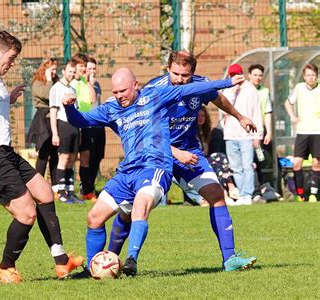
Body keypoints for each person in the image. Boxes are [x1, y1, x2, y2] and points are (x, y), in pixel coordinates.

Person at [64, 67, 244, 278]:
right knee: (94, 217)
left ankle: (131, 259)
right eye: (115, 92)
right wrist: (69, 108)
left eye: (123, 91)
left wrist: (225, 83)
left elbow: (193, 88)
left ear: (135, 86)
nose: (119, 96)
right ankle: (91, 270)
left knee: (140, 206)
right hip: (126, 172)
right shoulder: (111, 108)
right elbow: (80, 121)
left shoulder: (155, 96)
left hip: (154, 167)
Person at [0, 30, 83, 284]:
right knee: (26, 214)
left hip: (5, 152)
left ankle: (61, 261)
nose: (11, 63)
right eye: (10, 58)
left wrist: (6, 100)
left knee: (43, 192)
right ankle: (5, 267)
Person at [107, 51, 257, 273]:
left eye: (185, 75)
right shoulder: (152, 91)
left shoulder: (199, 86)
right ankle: (110, 259)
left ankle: (230, 259)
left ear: (192, 73)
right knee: (130, 211)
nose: (179, 79)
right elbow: (142, 133)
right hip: (156, 155)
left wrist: (240, 116)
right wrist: (175, 152)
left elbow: (218, 98)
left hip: (190, 153)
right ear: (168, 69)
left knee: (216, 194)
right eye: (175, 73)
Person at [222, 64, 264, 205]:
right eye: (232, 75)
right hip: (230, 135)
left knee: (247, 166)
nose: (235, 77)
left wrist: (258, 135)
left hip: (246, 135)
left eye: (237, 74)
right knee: (235, 167)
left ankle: (247, 194)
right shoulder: (227, 90)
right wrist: (233, 92)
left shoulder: (251, 90)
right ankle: (241, 193)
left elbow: (257, 113)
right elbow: (224, 110)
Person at [284, 63, 319, 203]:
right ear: (304, 76)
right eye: (308, 75)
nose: (311, 78)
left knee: (317, 164)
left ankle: (314, 194)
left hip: (318, 131)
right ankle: (301, 194)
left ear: (317, 76)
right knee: (297, 164)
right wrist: (293, 117)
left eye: (313, 75)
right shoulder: (299, 88)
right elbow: (288, 103)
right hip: (303, 132)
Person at [49, 60, 83, 204]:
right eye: (70, 71)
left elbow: (77, 110)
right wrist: (55, 133)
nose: (72, 74)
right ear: (64, 71)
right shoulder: (56, 88)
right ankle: (61, 192)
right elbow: (53, 111)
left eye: (74, 72)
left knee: (72, 159)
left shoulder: (73, 90)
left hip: (74, 126)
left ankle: (70, 192)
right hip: (63, 125)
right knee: (63, 158)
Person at [26, 58, 59, 192]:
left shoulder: (56, 82)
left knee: (55, 154)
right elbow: (49, 95)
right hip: (43, 121)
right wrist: (49, 80)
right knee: (43, 154)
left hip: (55, 120)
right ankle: (38, 186)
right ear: (44, 70)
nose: (54, 72)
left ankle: (56, 187)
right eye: (52, 69)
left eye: (56, 69)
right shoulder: (37, 83)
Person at [69, 53, 98, 201]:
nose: (84, 69)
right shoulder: (73, 84)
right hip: (75, 124)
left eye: (84, 66)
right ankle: (67, 190)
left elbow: (93, 100)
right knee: (71, 157)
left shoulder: (83, 82)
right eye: (81, 66)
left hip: (86, 124)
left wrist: (88, 82)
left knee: (86, 157)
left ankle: (86, 191)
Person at [248, 64, 274, 202]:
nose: (258, 78)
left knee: (262, 161)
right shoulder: (244, 90)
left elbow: (267, 112)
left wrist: (268, 132)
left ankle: (264, 188)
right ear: (249, 75)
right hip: (246, 133)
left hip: (260, 132)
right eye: (255, 75)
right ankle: (252, 191)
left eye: (260, 75)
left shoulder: (264, 91)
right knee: (249, 163)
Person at [82, 56, 106, 201]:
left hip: (98, 125)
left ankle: (91, 187)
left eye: (93, 68)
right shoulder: (83, 84)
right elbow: (92, 101)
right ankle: (86, 189)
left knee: (98, 156)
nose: (92, 71)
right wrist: (88, 82)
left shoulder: (97, 84)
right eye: (89, 68)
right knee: (87, 157)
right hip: (87, 125)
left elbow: (98, 102)